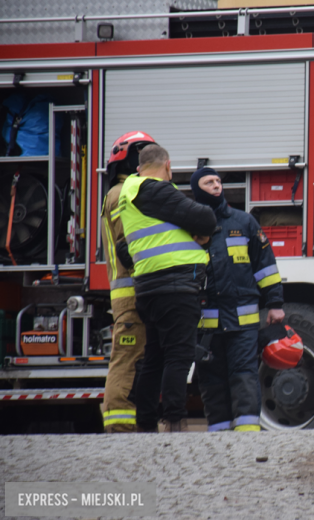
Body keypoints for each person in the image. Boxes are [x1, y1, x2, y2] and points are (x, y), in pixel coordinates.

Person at [117, 144, 216, 432]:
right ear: (167, 166)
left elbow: (126, 248)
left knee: (155, 357)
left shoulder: (131, 194)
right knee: (179, 355)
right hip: (174, 287)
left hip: (150, 287)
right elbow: (206, 219)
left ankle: (146, 423)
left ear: (139, 167)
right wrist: (201, 233)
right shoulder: (154, 189)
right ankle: (174, 421)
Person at [190, 167, 285, 432]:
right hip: (207, 325)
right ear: (198, 189)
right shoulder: (189, 226)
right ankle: (220, 438)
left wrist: (275, 304)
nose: (216, 185)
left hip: (243, 324)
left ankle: (247, 440)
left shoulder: (243, 222)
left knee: (244, 376)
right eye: (209, 182)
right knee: (212, 381)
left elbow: (265, 266)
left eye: (219, 181)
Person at [100, 130, 155, 433]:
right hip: (132, 293)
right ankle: (119, 427)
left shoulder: (123, 191)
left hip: (136, 293)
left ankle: (134, 425)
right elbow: (128, 244)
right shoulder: (122, 193)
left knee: (141, 360)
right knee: (128, 358)